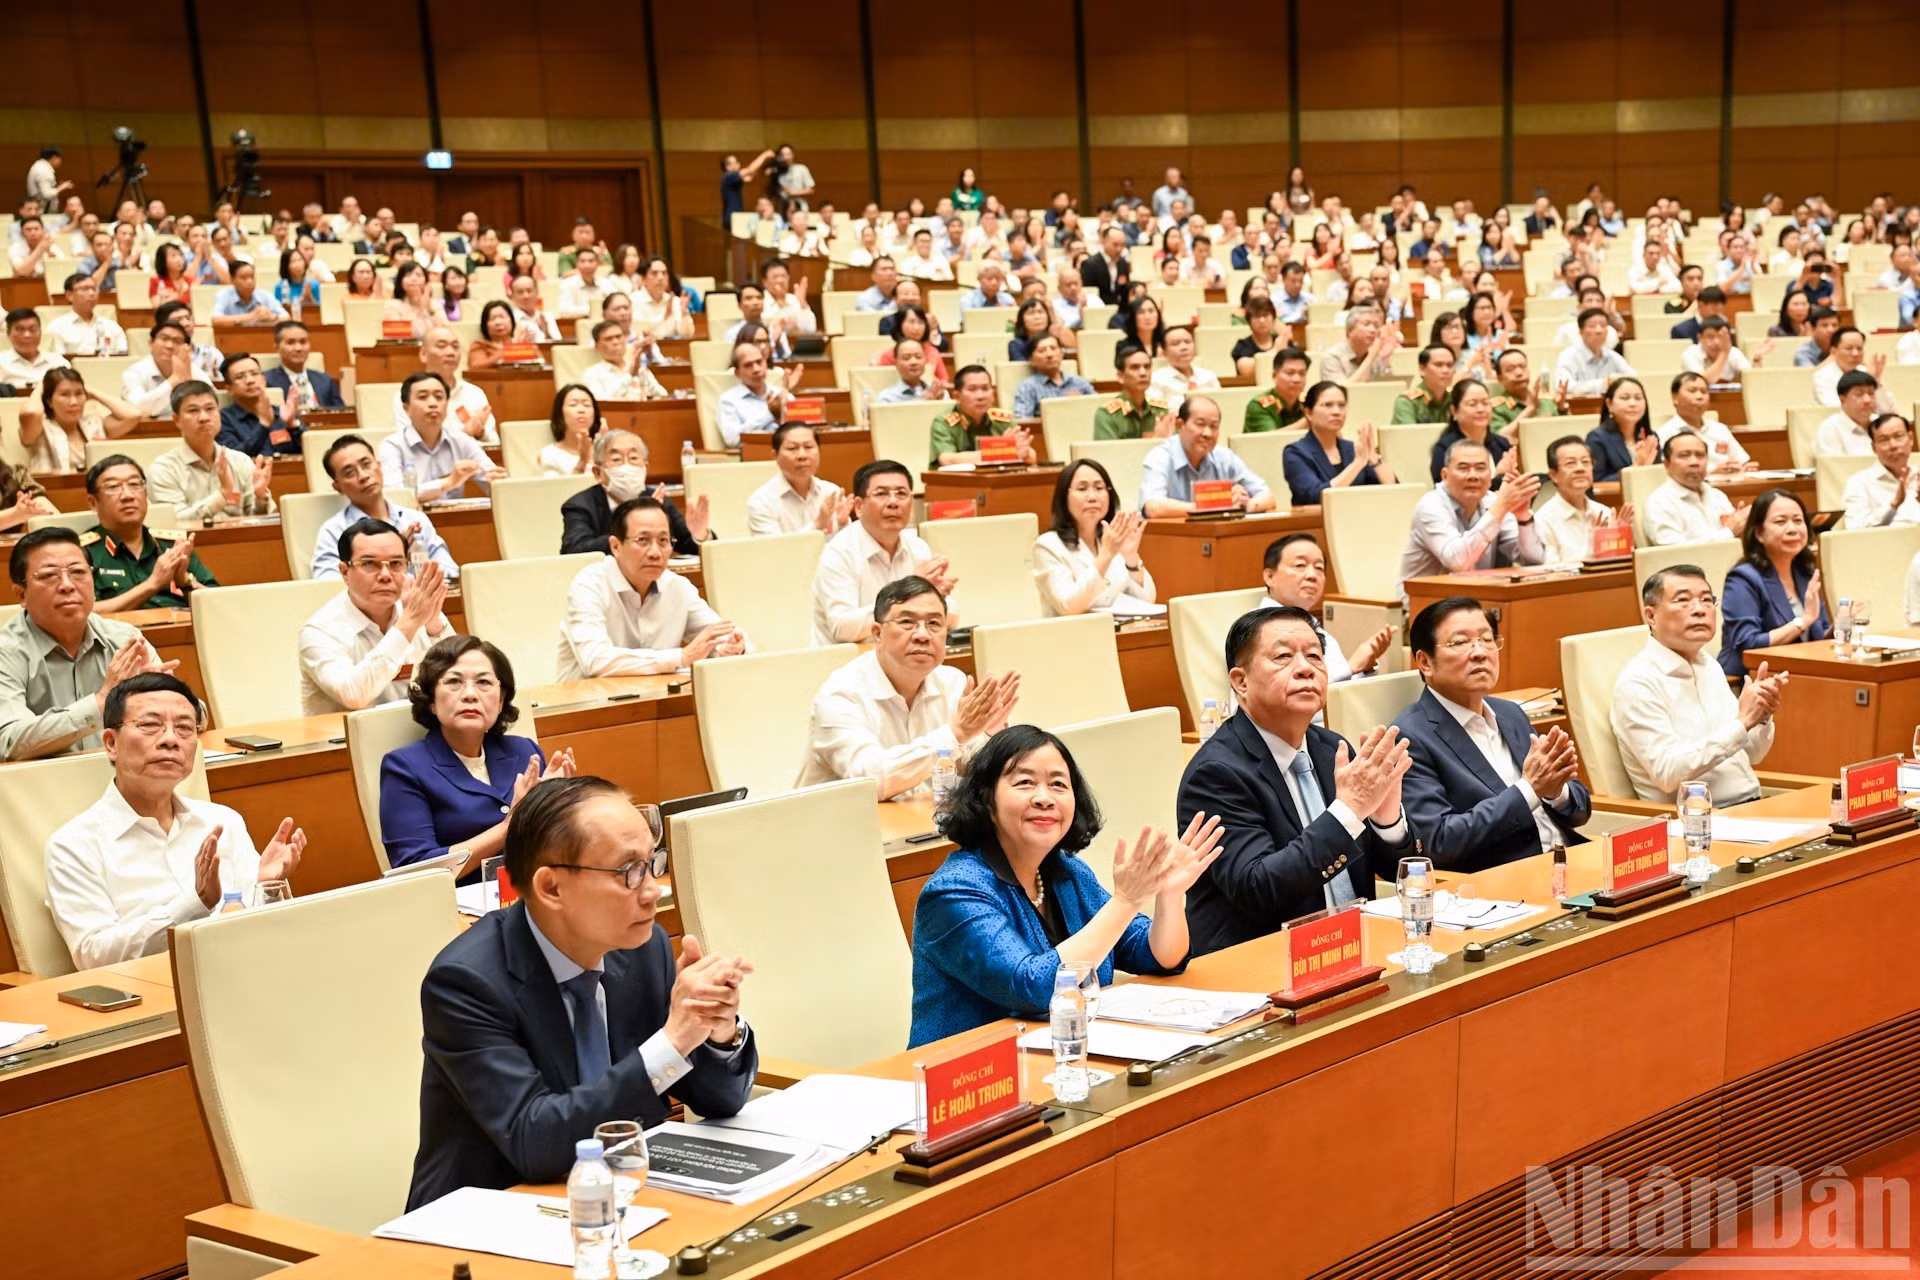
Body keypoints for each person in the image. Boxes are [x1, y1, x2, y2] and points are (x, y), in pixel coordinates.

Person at [407, 775, 755, 1209]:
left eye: (652, 862)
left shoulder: (640, 947)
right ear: (551, 887)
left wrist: (714, 1029)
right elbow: (534, 1140)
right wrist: (673, 1041)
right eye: (629, 872)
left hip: (621, 1197)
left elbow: (720, 1100)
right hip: (488, 1216)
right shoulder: (467, 983)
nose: (653, 891)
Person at [908, 723, 1222, 1046]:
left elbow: (1156, 956)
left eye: (1058, 784)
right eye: (1025, 782)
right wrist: (1125, 902)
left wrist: (1170, 896)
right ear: (987, 797)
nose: (1044, 798)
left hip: (1062, 1055)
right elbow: (1034, 988)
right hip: (971, 1069)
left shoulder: (1066, 873)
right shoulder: (953, 892)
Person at [1175, 606, 1414, 956]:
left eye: (1315, 656)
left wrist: (1387, 820)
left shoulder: (1332, 750)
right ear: (1241, 682)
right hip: (1258, 963)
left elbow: (1396, 872)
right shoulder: (1216, 774)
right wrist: (1348, 811)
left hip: (1353, 951)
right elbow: (1258, 889)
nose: (1305, 668)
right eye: (1283, 657)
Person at [45, 672, 305, 969]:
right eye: (150, 725)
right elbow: (94, 957)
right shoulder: (73, 846)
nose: (170, 739)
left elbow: (254, 928)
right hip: (150, 990)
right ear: (111, 743)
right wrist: (195, 903)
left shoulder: (223, 821)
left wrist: (265, 887)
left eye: (184, 728)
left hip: (242, 974)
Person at [1393, 597, 1590, 870]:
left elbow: (1580, 810)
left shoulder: (1510, 714)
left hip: (1572, 862)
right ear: (1425, 662)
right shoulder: (1410, 738)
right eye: (1460, 642)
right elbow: (1438, 841)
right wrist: (1529, 790)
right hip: (1507, 879)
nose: (1480, 652)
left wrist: (1556, 792)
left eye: (1487, 639)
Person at [798, 575, 1016, 796]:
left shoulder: (953, 682)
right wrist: (955, 733)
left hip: (923, 815)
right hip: (842, 816)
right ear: (877, 634)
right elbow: (870, 780)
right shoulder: (840, 694)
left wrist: (989, 737)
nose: (922, 635)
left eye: (934, 623)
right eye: (907, 622)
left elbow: (965, 771)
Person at [1613, 565, 1787, 805]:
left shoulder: (1710, 666)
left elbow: (1753, 755)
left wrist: (1761, 716)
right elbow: (1668, 773)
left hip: (1751, 805)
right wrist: (1742, 722)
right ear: (1651, 616)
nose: (1699, 610)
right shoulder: (1638, 682)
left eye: (1706, 600)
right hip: (1696, 819)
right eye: (1683, 601)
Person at [0, 527, 173, 760]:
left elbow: (196, 714)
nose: (67, 585)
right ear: (21, 595)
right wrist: (101, 703)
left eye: (78, 572)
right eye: (49, 575)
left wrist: (163, 698)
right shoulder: (6, 652)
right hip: (45, 780)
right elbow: (8, 742)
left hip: (120, 775)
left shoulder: (125, 640)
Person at [559, 497, 746, 679]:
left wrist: (731, 647)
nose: (655, 553)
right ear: (616, 546)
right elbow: (595, 659)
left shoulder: (678, 587)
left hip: (656, 696)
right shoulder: (589, 585)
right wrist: (681, 657)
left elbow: (722, 635)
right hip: (588, 697)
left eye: (663, 541)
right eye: (643, 540)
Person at [300, 518, 455, 715]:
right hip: (345, 734)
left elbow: (466, 677)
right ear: (345, 572)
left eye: (396, 563)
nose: (385, 575)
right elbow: (354, 696)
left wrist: (434, 627)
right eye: (369, 564)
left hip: (418, 729)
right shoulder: (319, 632)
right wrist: (408, 623)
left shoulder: (415, 607)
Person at [812, 460, 956, 644]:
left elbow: (952, 615)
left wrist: (938, 600)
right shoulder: (838, 553)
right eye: (881, 494)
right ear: (859, 506)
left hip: (905, 652)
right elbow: (842, 629)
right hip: (852, 657)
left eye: (901, 494)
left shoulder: (918, 547)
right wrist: (908, 594)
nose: (893, 502)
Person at [1400, 439, 1544, 587]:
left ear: (1490, 475)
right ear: (1444, 475)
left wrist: (1523, 518)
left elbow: (1536, 561)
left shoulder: (1493, 501)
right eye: (1463, 468)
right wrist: (1501, 507)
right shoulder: (1431, 505)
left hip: (1479, 595)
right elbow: (1457, 562)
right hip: (1427, 599)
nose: (1473, 476)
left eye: (1481, 468)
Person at [81, 455, 217, 611]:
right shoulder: (82, 552)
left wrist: (185, 581)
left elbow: (219, 601)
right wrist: (153, 584)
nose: (128, 495)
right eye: (113, 487)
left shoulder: (173, 546)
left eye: (134, 484)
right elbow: (84, 612)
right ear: (93, 503)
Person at [1718, 489, 1828, 679]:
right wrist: (1802, 621)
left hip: (1801, 673)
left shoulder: (1805, 573)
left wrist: (1844, 625)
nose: (1792, 529)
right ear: (1759, 533)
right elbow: (1748, 643)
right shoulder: (1743, 578)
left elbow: (1820, 633)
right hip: (1750, 679)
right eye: (1780, 522)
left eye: (1798, 520)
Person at [313, 434, 455, 580]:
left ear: (379, 466)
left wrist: (410, 563)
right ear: (338, 487)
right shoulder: (334, 531)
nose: (363, 476)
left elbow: (451, 571)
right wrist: (394, 558)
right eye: (349, 473)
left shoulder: (415, 520)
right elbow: (326, 584)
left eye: (366, 464)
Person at [1260, 533, 1392, 683]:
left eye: (1319, 568)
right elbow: (1291, 688)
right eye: (1300, 565)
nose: (1312, 575)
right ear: (1270, 577)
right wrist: (1352, 667)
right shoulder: (1258, 630)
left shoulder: (1314, 626)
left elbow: (1340, 685)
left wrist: (1365, 667)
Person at [1032, 459, 1155, 616]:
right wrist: (1106, 556)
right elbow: (1068, 607)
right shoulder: (1047, 546)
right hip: (1075, 631)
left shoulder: (1112, 538)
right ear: (1064, 496)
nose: (1092, 497)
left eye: (1099, 488)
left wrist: (1131, 558)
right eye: (1082, 488)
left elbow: (1147, 601)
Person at [559, 430, 709, 557]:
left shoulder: (657, 499)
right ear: (598, 473)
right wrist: (633, 528)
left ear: (645, 468)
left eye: (633, 458)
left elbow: (688, 544)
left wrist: (700, 536)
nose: (627, 466)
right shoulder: (580, 505)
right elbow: (574, 551)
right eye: (616, 459)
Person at [147, 383, 275, 522]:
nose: (204, 417)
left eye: (210, 409)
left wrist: (260, 497)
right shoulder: (164, 469)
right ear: (177, 420)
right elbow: (173, 521)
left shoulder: (240, 461)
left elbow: (261, 521)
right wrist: (222, 495)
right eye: (193, 410)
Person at [378, 372, 504, 503]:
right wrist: (449, 482)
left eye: (439, 397)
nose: (433, 403)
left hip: (453, 516)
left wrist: (501, 481)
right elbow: (395, 496)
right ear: (406, 408)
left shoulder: (462, 441)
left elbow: (494, 481)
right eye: (423, 397)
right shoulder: (392, 446)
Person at [1140, 396, 1275, 517]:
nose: (1208, 433)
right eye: (1200, 424)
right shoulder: (1160, 457)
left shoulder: (1224, 457)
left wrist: (1247, 505)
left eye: (1214, 426)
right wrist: (1215, 506)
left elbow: (1268, 496)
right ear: (1180, 425)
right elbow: (1152, 507)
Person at [1283, 381, 1392, 506]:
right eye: (1328, 405)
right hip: (1317, 517)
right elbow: (1315, 496)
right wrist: (1357, 464)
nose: (1336, 411)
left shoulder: (1352, 449)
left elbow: (1392, 489)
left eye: (1341, 405)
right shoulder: (1296, 453)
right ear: (1308, 413)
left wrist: (1373, 457)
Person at [19, 367, 139, 474]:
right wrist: (42, 385)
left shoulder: (94, 423)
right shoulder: (39, 428)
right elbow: (31, 412)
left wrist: (93, 392)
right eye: (65, 394)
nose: (74, 402)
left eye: (79, 394)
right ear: (49, 401)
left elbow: (133, 415)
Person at [1535, 437, 1633, 563]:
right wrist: (1593, 548)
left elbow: (1619, 565)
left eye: (1585, 462)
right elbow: (1553, 571)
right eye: (1570, 463)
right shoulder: (1543, 520)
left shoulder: (1604, 512)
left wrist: (1620, 540)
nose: (1580, 468)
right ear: (1553, 475)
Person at [745, 422, 850, 537]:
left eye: (808, 447)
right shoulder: (761, 502)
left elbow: (848, 544)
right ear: (775, 456)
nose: (802, 455)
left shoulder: (831, 492)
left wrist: (843, 525)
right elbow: (774, 547)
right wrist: (817, 526)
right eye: (792, 448)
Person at [1642, 432, 1746, 546]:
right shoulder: (1660, 502)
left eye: (1700, 455)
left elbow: (1734, 531)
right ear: (1667, 464)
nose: (1694, 462)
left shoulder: (1717, 496)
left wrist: (1743, 527)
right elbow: (1672, 550)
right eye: (1684, 455)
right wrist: (1729, 532)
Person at [397, 327, 498, 444]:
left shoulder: (474, 393)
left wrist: (480, 433)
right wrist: (465, 433)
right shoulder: (408, 395)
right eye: (441, 346)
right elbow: (408, 444)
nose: (450, 352)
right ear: (423, 354)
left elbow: (494, 442)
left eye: (455, 347)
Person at [929, 366, 1031, 466]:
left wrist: (1017, 451)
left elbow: (1030, 455)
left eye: (985, 388)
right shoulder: (943, 422)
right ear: (957, 396)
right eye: (972, 389)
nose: (980, 396)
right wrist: (1000, 450)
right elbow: (947, 460)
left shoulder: (1001, 419)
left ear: (993, 393)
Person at [1654, 371, 1753, 473]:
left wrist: (1745, 468)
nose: (1699, 396)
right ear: (1675, 397)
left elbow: (1742, 461)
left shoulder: (1720, 429)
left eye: (1704, 391)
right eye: (1692, 391)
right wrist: (1712, 473)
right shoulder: (1664, 433)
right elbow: (1666, 473)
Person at [216, 352, 304, 458]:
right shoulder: (223, 419)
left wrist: (292, 425)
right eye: (240, 377)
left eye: (254, 374)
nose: (250, 380)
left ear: (264, 380)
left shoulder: (283, 413)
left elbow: (310, 451)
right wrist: (264, 425)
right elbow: (233, 459)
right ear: (229, 389)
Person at [1427, 380, 1515, 483]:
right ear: (1454, 411)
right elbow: (1449, 490)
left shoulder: (1502, 445)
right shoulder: (1444, 449)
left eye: (1485, 403)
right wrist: (1498, 478)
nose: (1481, 409)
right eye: (1472, 404)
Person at [1842, 415, 1920, 530]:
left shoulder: (1918, 476)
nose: (1893, 445)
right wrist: (1894, 504)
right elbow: (1855, 529)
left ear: (1911, 439)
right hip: (1887, 541)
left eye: (1898, 436)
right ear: (1874, 447)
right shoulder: (1859, 483)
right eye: (1884, 440)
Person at [1584, 377, 1659, 483]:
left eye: (1638, 398)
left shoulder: (1650, 436)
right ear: (1609, 404)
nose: (1633, 403)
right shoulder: (1597, 438)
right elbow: (1596, 481)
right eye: (1625, 398)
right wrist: (1636, 466)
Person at [715, 340, 786, 448]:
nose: (756, 369)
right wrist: (770, 414)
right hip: (755, 454)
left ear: (766, 363)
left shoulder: (780, 394)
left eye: (759, 362)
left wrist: (780, 418)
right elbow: (732, 439)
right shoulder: (728, 401)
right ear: (737, 373)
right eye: (748, 365)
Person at [1091, 342, 1168, 441]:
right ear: (1120, 376)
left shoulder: (1160, 410)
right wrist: (1156, 440)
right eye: (1135, 367)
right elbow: (1107, 450)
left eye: (1147, 367)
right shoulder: (1107, 415)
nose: (1143, 373)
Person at [264, 321, 344, 411]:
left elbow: (341, 413)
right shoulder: (267, 381)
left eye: (303, 342)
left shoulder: (326, 380)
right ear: (276, 347)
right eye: (290, 342)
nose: (298, 348)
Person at [1554, 309, 1635, 397]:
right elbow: (1563, 386)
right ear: (1581, 331)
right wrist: (1601, 384)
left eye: (1603, 325)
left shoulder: (1612, 356)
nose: (1599, 330)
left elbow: (1633, 378)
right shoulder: (1568, 356)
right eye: (1592, 326)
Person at [1011, 334, 1094, 419]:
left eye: (1053, 348)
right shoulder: (1028, 387)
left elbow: (1097, 409)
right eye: (1042, 351)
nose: (1049, 354)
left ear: (1062, 353)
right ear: (1031, 359)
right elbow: (1022, 420)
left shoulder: (1079, 382)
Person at [46, 273, 128, 357]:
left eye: (94, 289)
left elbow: (123, 357)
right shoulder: (57, 327)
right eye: (85, 289)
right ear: (69, 295)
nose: (91, 293)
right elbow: (57, 360)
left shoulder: (111, 326)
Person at [1319, 304, 1398, 385]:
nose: (1373, 330)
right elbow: (1345, 390)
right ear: (1350, 330)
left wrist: (1385, 359)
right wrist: (1371, 357)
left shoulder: (1375, 356)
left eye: (1376, 326)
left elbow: (1386, 388)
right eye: (1366, 324)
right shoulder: (1332, 358)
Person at [1814, 369, 1887, 457]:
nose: (1867, 400)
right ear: (1842, 400)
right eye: (1859, 394)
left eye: (1871, 393)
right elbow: (1832, 464)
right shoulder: (1830, 429)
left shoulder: (1881, 424)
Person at [1244, 347, 1311, 434]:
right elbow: (1269, 439)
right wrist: (1308, 421)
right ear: (1274, 375)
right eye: (1290, 373)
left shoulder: (1310, 402)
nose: (1297, 379)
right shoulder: (1258, 406)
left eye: (1302, 373)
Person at [0, 308, 69, 393]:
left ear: (40, 332)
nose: (27, 335)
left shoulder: (58, 362)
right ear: (8, 333)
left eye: (32, 329)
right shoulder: (1, 362)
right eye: (20, 330)